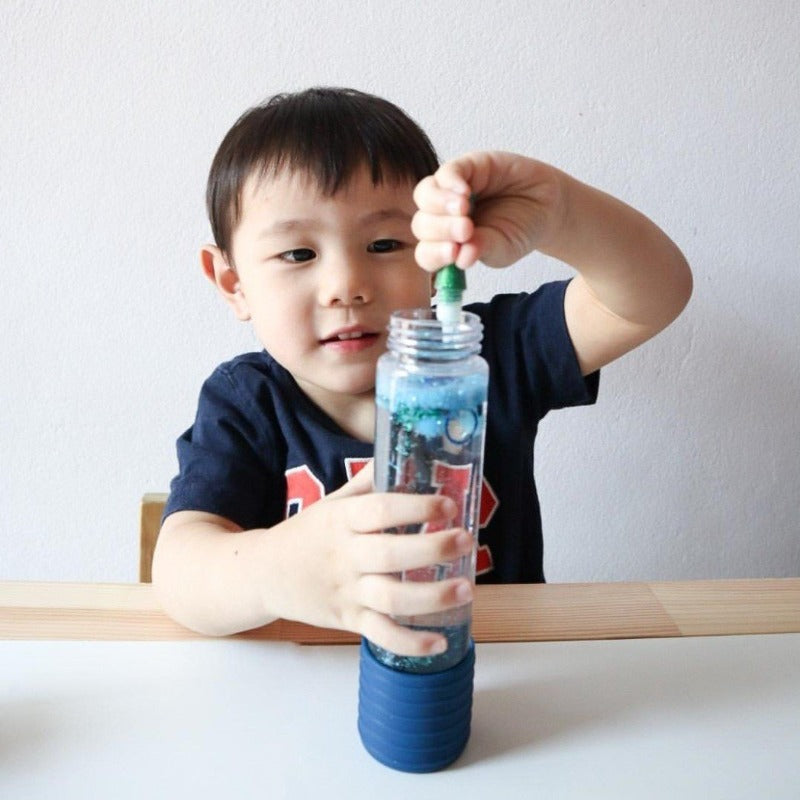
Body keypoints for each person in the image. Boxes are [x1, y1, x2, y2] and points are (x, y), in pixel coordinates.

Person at [153, 87, 692, 657]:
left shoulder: (484, 355)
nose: (346, 285)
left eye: (385, 243)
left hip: (505, 665)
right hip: (310, 685)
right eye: (298, 254)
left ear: (434, 264)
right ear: (233, 283)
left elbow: (653, 295)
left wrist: (563, 212)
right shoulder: (246, 402)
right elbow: (179, 570)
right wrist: (270, 569)